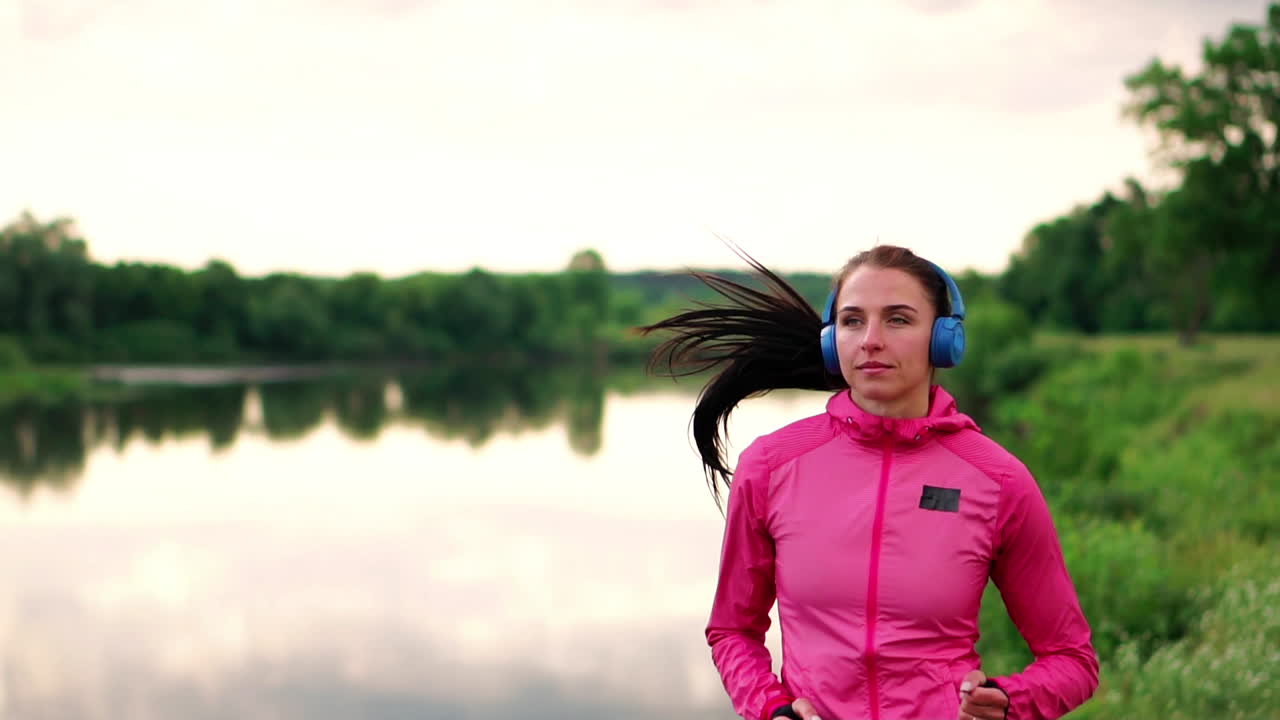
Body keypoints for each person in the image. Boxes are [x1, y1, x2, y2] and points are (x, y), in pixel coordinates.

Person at [641, 245, 1098, 720]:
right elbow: (733, 631)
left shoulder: (999, 481)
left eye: (898, 320)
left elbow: (1073, 661)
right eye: (853, 321)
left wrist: (1007, 703)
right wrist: (771, 708)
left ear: (944, 339)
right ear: (831, 338)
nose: (871, 340)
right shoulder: (771, 467)